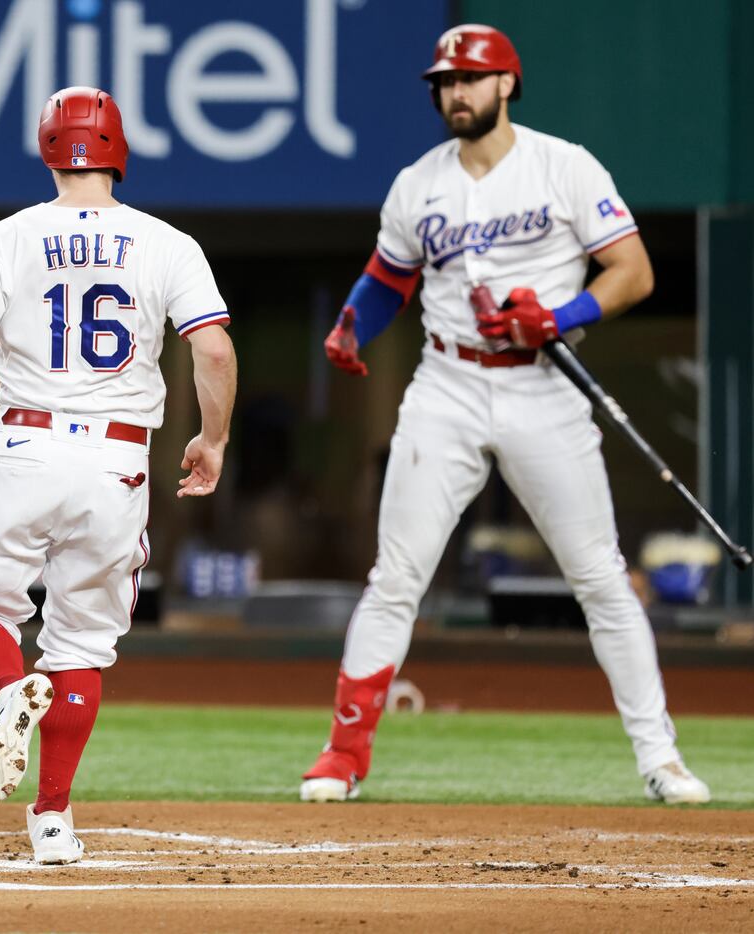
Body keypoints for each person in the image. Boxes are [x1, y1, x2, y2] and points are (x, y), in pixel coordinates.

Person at [300, 24, 709, 806]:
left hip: (541, 386)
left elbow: (633, 271)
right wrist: (353, 322)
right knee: (395, 578)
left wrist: (559, 315)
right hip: (445, 385)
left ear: (506, 85)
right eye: (445, 81)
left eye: (471, 79)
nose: (455, 92)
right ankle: (342, 754)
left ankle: (660, 759)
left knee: (598, 577)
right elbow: (387, 277)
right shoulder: (417, 183)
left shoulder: (562, 165)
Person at [0, 86, 237, 865]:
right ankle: (53, 822)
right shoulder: (168, 242)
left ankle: (7, 691)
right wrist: (211, 439)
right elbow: (211, 351)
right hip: (117, 463)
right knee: (79, 646)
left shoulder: (11, 234)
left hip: (26, 449)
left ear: (47, 148)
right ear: (117, 151)